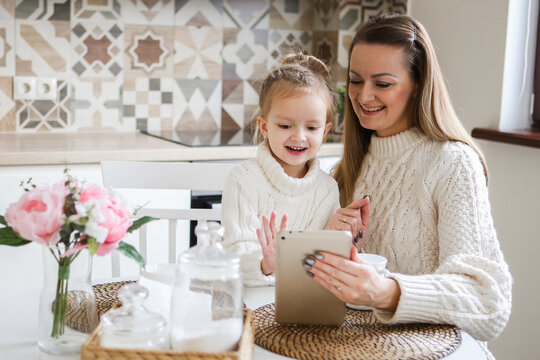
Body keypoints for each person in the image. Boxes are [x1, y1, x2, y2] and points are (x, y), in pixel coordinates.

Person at [303, 14, 512, 359]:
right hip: (362, 348)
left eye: (382, 84)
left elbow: (489, 303)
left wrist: (385, 291)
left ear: (417, 84)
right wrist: (329, 242)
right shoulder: (348, 167)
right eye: (355, 81)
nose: (363, 96)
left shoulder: (453, 163)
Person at [221, 53, 368, 287]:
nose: (299, 136)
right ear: (264, 126)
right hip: (250, 301)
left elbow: (324, 265)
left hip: (306, 304)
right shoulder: (243, 180)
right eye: (285, 125)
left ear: (325, 130)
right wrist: (266, 264)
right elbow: (234, 257)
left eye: (311, 127)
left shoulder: (327, 188)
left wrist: (344, 240)